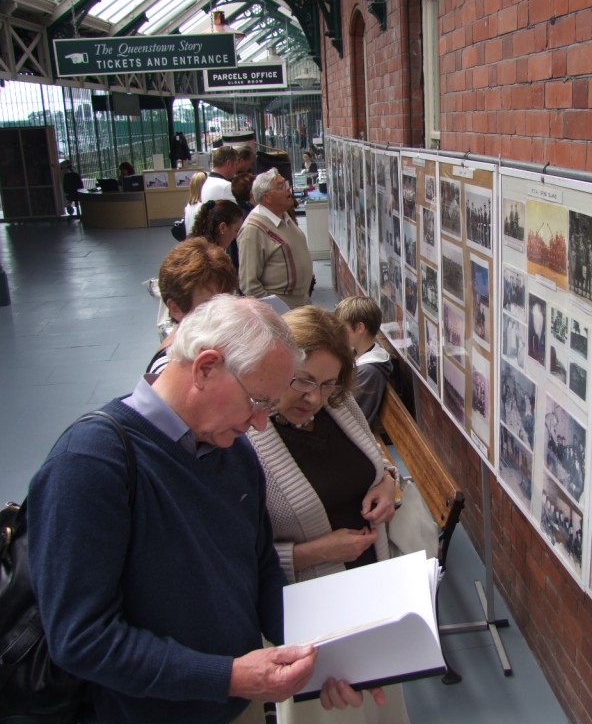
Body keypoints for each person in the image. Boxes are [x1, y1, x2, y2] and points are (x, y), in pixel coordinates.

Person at [27, 295, 375, 722]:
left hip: (235, 703)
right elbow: (81, 638)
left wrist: (325, 658)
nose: (261, 422)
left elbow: (261, 567)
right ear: (205, 367)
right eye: (257, 401)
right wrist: (226, 676)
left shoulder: (234, 452)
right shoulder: (90, 466)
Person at [245, 306, 407, 724]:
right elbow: (243, 556)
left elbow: (379, 463)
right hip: (312, 617)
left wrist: (388, 484)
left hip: (372, 590)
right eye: (302, 381)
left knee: (381, 708)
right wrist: (315, 552)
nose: (314, 398)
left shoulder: (339, 405)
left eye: (328, 383)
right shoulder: (247, 441)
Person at [147, 237, 238, 373]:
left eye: (227, 300)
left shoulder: (215, 342)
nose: (222, 313)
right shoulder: (169, 369)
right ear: (176, 309)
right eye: (208, 306)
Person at [238, 168, 314, 307]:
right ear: (266, 197)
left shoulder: (283, 215)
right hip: (283, 313)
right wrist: (278, 310)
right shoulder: (252, 230)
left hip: (301, 304)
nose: (287, 189)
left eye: (285, 184)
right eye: (281, 186)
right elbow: (249, 284)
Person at [335, 296, 393, 429]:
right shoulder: (357, 354)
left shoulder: (369, 372)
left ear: (360, 328)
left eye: (342, 327)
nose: (338, 332)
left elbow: (352, 415)